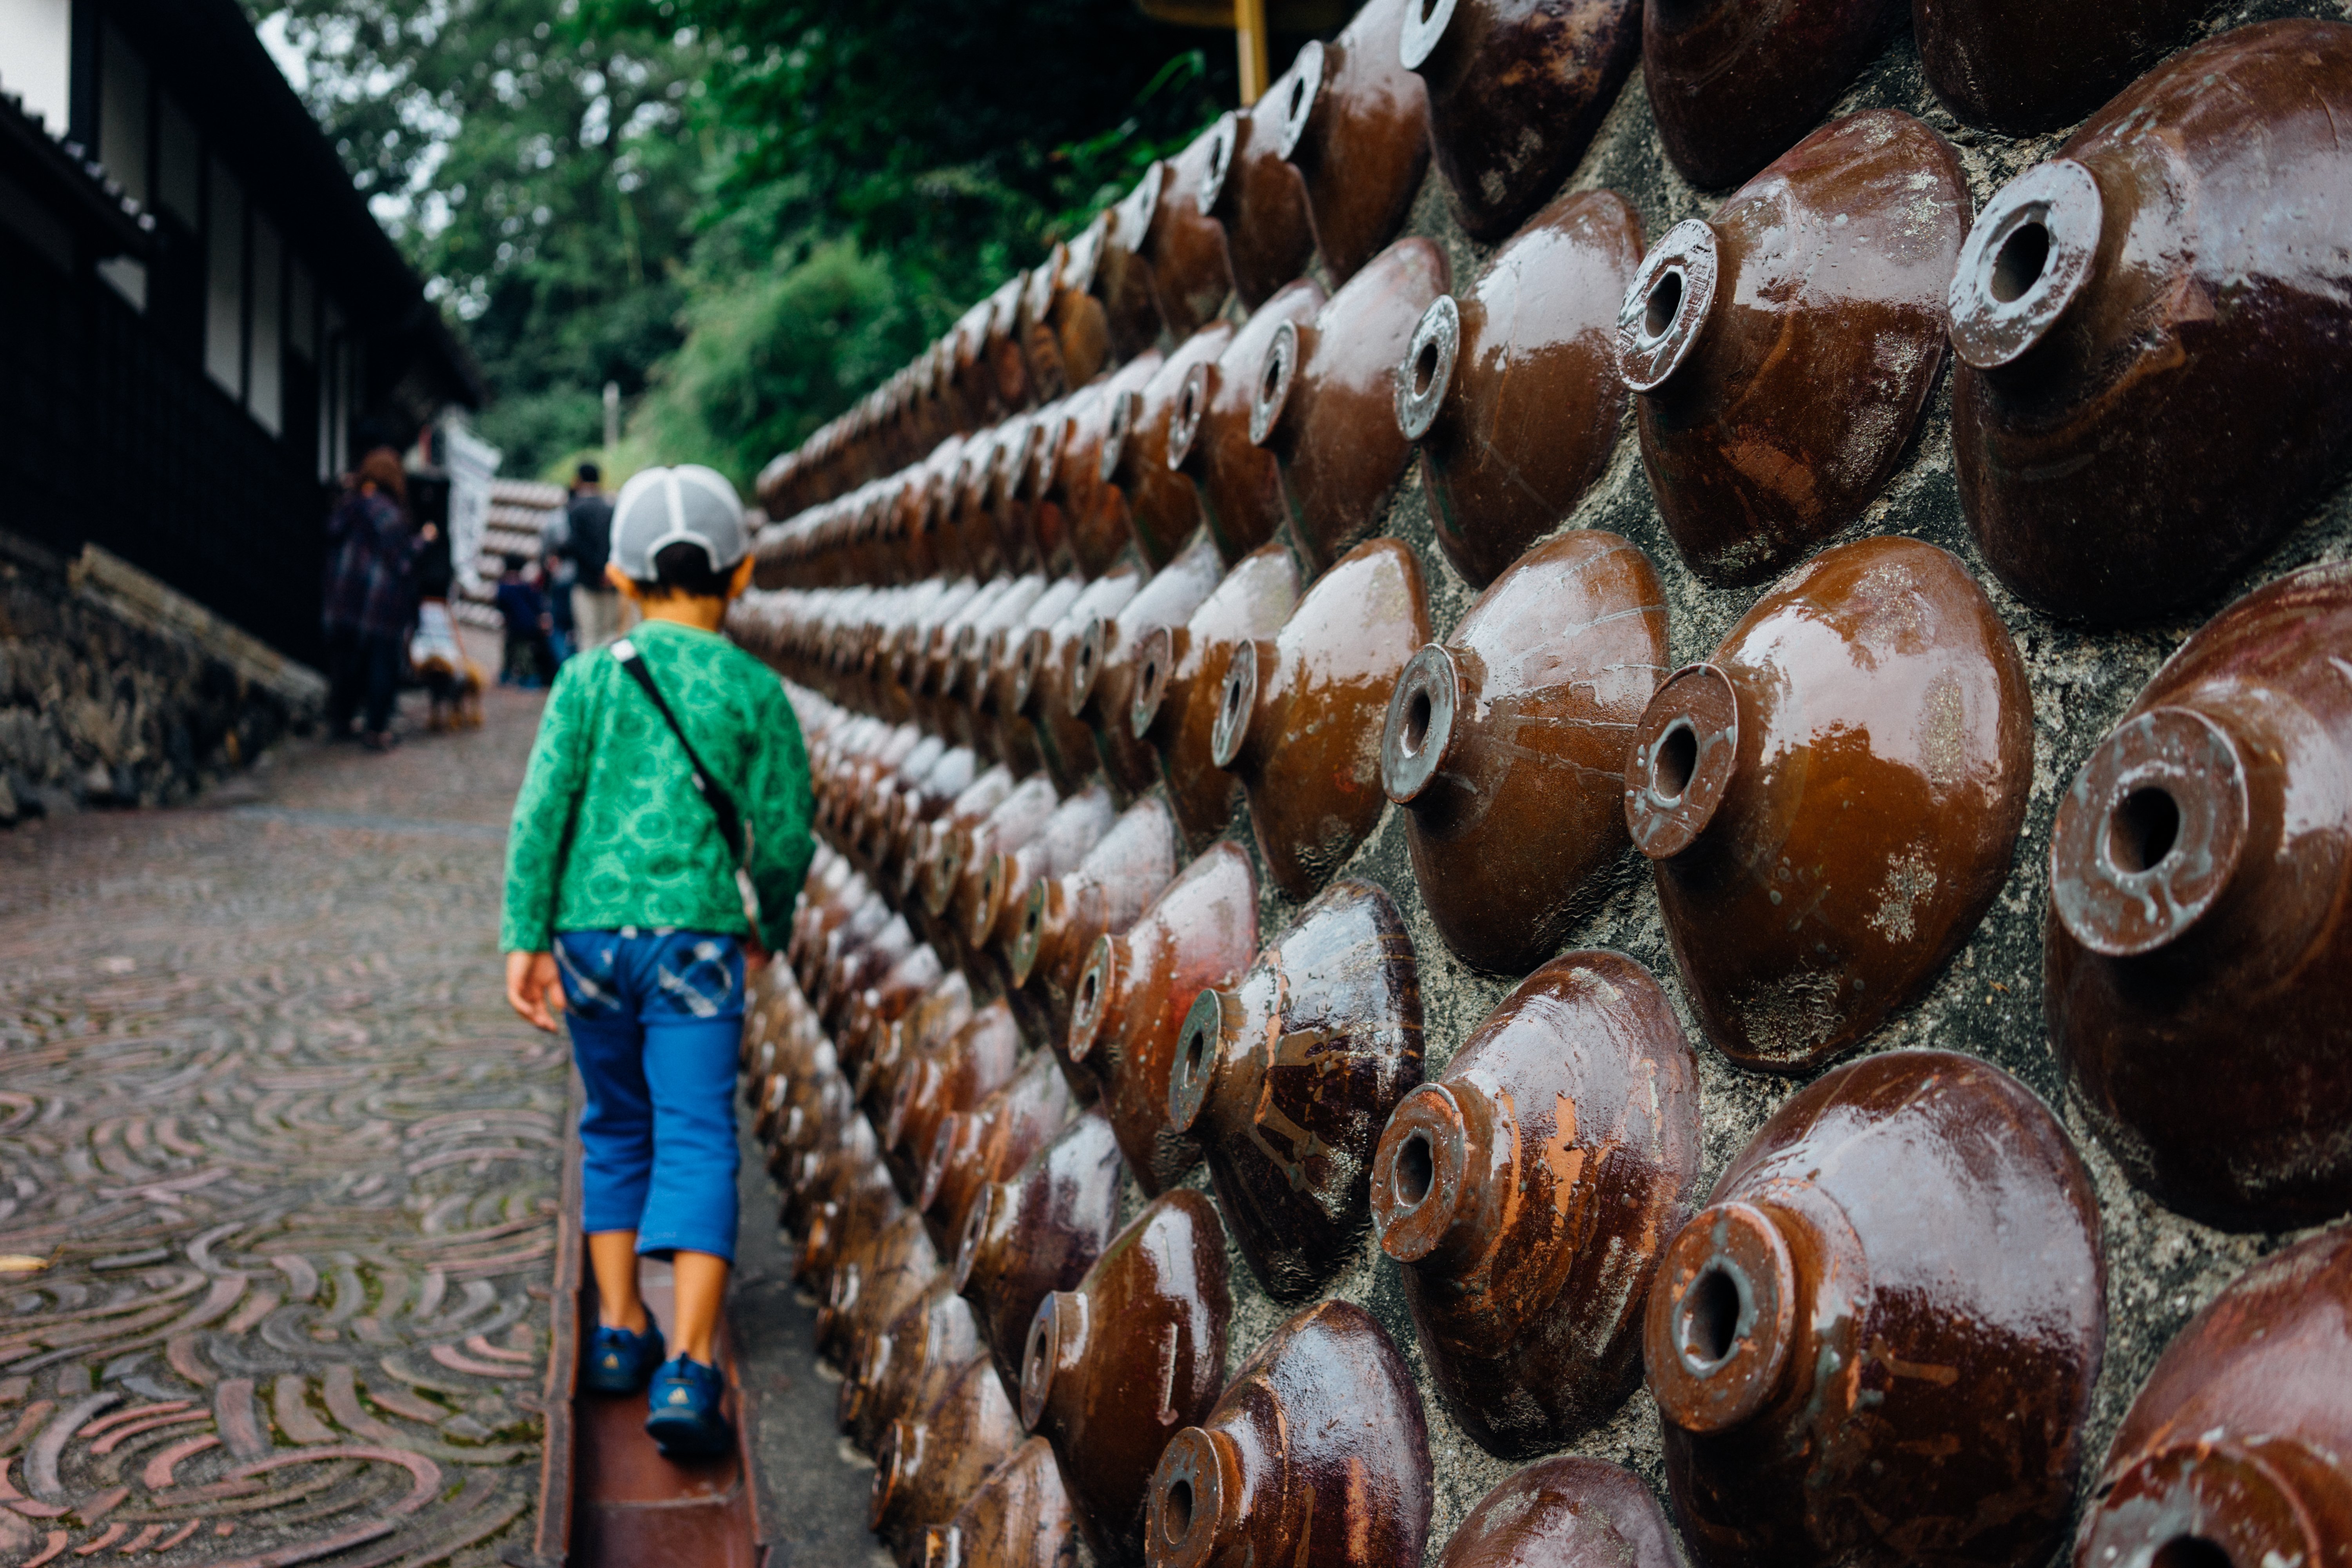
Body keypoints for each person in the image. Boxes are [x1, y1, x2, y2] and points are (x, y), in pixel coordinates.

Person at [499, 464, 812, 1461]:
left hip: (589, 940)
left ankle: (616, 1330)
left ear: (620, 578)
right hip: (695, 938)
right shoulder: (756, 690)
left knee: (614, 1125)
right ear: (743, 571)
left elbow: (542, 811)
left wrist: (524, 934)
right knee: (695, 1133)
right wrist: (773, 914)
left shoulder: (588, 676)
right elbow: (786, 831)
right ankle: (687, 1365)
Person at [322, 448, 434, 751]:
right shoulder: (389, 512)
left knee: (345, 663)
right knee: (381, 664)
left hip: (344, 599)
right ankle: (376, 730)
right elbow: (403, 561)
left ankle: (341, 720)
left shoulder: (349, 505)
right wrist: (424, 540)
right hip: (380, 603)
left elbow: (332, 537)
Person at [557, 461, 625, 650]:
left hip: (586, 581)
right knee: (610, 635)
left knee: (588, 636)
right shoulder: (611, 508)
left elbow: (576, 545)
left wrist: (596, 570)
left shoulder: (575, 508)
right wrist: (606, 571)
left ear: (578, 480)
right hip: (611, 581)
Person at [493, 555, 555, 686]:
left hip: (516, 626)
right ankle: (513, 674)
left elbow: (500, 605)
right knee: (519, 650)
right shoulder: (527, 586)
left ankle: (528, 676)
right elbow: (537, 603)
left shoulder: (504, 587)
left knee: (519, 652)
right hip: (530, 624)